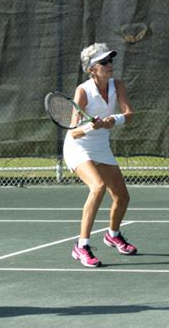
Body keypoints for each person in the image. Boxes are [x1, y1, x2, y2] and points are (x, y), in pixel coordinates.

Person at [63, 43, 137, 268]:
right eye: (103, 62)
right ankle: (81, 245)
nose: (109, 65)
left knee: (122, 197)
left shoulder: (118, 85)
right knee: (98, 187)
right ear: (91, 69)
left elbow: (129, 114)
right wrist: (92, 126)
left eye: (110, 61)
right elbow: (74, 131)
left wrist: (113, 120)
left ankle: (112, 234)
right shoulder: (83, 91)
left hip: (101, 146)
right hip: (79, 147)